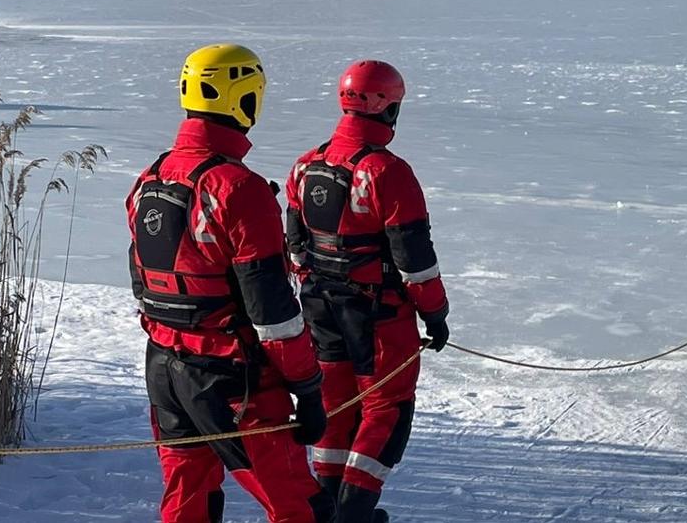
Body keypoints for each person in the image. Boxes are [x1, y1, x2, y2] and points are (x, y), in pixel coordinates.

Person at [130, 44, 331, 523]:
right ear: (246, 100)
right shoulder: (238, 189)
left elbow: (147, 283)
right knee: (302, 509)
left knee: (189, 499)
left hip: (165, 370)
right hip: (234, 379)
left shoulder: (149, 179)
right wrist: (308, 385)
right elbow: (274, 312)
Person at [285, 61, 451, 523]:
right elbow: (414, 260)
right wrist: (435, 314)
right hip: (377, 315)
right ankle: (353, 512)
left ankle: (331, 506)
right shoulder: (388, 172)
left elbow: (294, 246)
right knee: (386, 408)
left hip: (319, 306)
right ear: (390, 108)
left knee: (337, 402)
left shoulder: (305, 164)